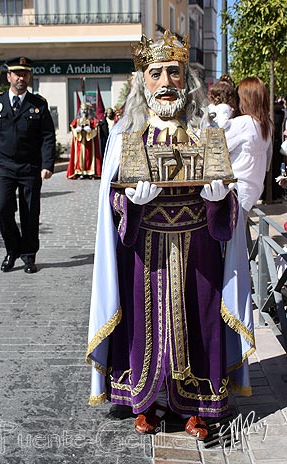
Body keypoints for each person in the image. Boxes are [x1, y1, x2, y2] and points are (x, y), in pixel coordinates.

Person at [86, 31, 255, 438]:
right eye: (156, 73)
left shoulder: (206, 133)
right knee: (146, 326)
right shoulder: (127, 137)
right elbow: (111, 206)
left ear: (187, 80)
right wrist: (131, 202)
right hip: (145, 249)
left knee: (200, 323)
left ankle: (199, 406)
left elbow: (228, 207)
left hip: (197, 250)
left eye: (173, 73)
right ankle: (150, 402)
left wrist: (218, 199)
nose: (165, 83)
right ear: (143, 81)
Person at [0, 56, 56, 274]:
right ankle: (12, 249)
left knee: (30, 213)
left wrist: (47, 164)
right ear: (8, 77)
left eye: (25, 74)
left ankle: (28, 256)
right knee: (2, 209)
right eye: (17, 74)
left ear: (29, 77)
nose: (21, 78)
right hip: (4, 166)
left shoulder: (38, 104)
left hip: (30, 167)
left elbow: (47, 136)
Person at [220, 77, 272, 222]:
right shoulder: (266, 125)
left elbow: (217, 147)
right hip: (252, 191)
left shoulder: (243, 123)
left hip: (235, 192)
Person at [66, 102, 102, 180]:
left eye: (85, 109)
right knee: (79, 157)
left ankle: (90, 172)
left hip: (89, 142)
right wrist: (76, 130)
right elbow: (72, 127)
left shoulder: (91, 120)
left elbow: (95, 128)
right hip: (79, 142)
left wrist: (90, 131)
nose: (84, 111)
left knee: (89, 156)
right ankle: (80, 172)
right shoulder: (77, 120)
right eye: (82, 109)